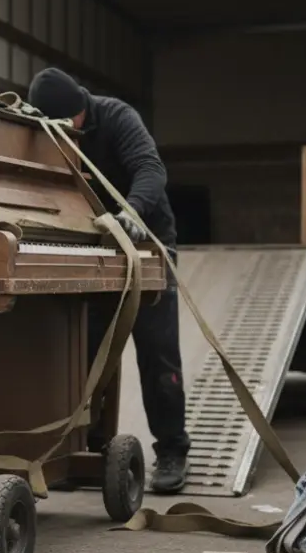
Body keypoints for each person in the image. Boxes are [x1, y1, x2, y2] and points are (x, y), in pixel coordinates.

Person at [27, 67, 191, 494]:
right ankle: (89, 447)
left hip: (148, 246)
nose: (63, 135)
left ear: (79, 112)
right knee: (85, 354)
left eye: (67, 127)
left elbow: (151, 169)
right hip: (98, 253)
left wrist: (132, 213)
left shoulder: (118, 118)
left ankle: (172, 450)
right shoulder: (51, 130)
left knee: (158, 357)